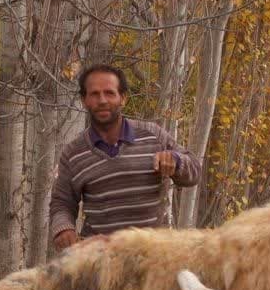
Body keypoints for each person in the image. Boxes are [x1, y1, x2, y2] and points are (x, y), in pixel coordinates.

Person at [49, 64, 201, 251]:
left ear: (123, 98)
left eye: (110, 93)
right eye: (94, 94)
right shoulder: (73, 153)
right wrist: (63, 229)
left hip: (155, 254)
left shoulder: (153, 135)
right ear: (84, 100)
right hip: (100, 259)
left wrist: (177, 162)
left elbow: (194, 171)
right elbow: (62, 202)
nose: (102, 100)